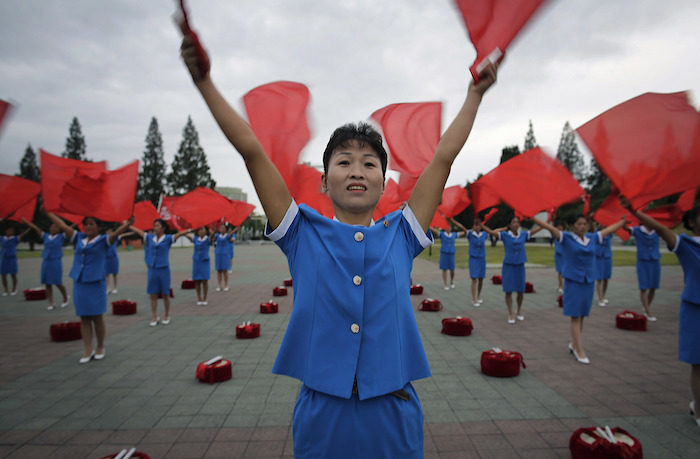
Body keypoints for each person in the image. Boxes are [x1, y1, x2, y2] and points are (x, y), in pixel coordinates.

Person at [180, 26, 496, 458]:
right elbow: (252, 150)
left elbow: (443, 156)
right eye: (343, 161)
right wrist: (204, 83)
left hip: (393, 407)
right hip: (323, 412)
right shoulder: (300, 233)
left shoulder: (401, 235)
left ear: (383, 184)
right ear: (324, 181)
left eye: (369, 163)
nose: (356, 171)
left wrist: (474, 96)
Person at [623, 202, 700, 430]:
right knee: (698, 363)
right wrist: (635, 211)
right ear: (693, 223)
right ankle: (698, 409)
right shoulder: (686, 245)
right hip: (695, 308)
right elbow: (661, 229)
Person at [533, 214, 625, 364]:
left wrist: (623, 221)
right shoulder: (566, 238)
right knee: (575, 316)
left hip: (588, 281)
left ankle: (574, 343)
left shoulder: (592, 238)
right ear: (573, 226)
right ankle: (579, 349)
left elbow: (609, 230)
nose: (583, 226)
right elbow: (549, 227)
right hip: (574, 281)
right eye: (579, 224)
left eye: (584, 223)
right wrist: (533, 218)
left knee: (582, 315)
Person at [46, 212, 133, 363]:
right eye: (86, 223)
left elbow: (116, 234)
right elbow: (62, 225)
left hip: (95, 281)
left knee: (97, 317)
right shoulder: (79, 238)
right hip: (80, 281)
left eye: (92, 223)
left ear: (99, 227)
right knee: (84, 317)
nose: (88, 226)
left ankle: (100, 346)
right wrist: (47, 212)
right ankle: (87, 349)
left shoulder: (103, 240)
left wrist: (127, 224)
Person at [482, 216, 542, 324]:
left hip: (520, 265)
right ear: (509, 225)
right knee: (508, 290)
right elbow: (491, 232)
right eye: (513, 222)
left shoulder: (523, 234)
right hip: (508, 266)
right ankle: (510, 313)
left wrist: (544, 221)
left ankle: (518, 310)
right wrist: (481, 224)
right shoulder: (505, 235)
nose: (516, 224)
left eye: (517, 222)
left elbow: (538, 229)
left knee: (520, 290)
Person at [130, 219, 190, 326]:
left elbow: (180, 234)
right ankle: (154, 316)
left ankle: (166, 315)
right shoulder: (150, 237)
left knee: (165, 294)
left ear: (163, 228)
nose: (155, 228)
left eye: (157, 226)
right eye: (154, 225)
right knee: (152, 294)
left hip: (163, 269)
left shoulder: (167, 238)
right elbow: (138, 231)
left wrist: (191, 229)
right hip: (152, 269)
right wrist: (127, 225)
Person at [22, 217, 71, 310]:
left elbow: (70, 228)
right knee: (47, 283)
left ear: (59, 229)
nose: (53, 228)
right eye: (52, 227)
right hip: (46, 261)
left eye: (55, 227)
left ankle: (65, 297)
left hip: (56, 261)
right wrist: (26, 222)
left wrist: (78, 221)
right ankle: (51, 303)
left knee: (58, 282)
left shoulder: (62, 236)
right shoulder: (45, 236)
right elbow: (36, 228)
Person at [623, 221, 661, 320]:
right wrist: (623, 223)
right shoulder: (637, 230)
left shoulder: (657, 230)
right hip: (643, 262)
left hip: (655, 261)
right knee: (644, 287)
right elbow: (626, 229)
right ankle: (648, 312)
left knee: (653, 287)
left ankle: (646, 308)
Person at [452, 217, 487, 306]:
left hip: (482, 258)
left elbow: (494, 231)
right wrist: (452, 221)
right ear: (473, 226)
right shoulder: (470, 234)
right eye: (476, 225)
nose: (478, 227)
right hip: (473, 259)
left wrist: (506, 227)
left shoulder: (484, 234)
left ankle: (479, 295)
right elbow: (462, 227)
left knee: (481, 279)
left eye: (479, 225)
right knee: (474, 278)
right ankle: (474, 298)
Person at [430, 221, 465, 290]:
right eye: (446, 227)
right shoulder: (442, 234)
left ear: (451, 228)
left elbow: (464, 232)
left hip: (451, 253)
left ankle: (452, 280)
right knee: (444, 269)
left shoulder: (454, 234)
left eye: (449, 227)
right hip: (444, 253)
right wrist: (429, 225)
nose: (448, 228)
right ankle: (445, 283)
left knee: (452, 269)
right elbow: (434, 230)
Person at [183, 226, 213, 305]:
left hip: (204, 261)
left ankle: (205, 298)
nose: (200, 231)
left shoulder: (207, 239)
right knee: (197, 280)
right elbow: (186, 235)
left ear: (206, 231)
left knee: (204, 280)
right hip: (196, 261)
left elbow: (213, 236)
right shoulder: (195, 238)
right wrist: (188, 230)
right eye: (199, 230)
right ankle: (199, 298)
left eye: (202, 229)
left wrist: (212, 229)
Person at [0, 223, 31, 296]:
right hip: (4, 258)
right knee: (3, 274)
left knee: (13, 274)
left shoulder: (15, 239)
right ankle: (6, 289)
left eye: (11, 231)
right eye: (8, 230)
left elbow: (23, 234)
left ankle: (14, 288)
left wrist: (29, 228)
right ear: (6, 231)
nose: (9, 232)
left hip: (12, 258)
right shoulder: (2, 238)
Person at [104, 228, 134, 294]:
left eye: (109, 230)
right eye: (107, 231)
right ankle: (107, 288)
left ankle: (115, 287)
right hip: (106, 258)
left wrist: (131, 232)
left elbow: (123, 234)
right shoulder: (105, 238)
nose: (107, 232)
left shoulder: (116, 237)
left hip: (114, 257)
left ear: (111, 231)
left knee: (115, 273)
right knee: (106, 274)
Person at [594, 222, 613, 306]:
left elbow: (613, 229)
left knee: (606, 278)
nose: (601, 225)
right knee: (599, 278)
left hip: (607, 257)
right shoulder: (596, 234)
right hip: (599, 257)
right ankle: (600, 298)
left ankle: (603, 296)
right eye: (599, 223)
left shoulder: (609, 233)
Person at [214, 223, 235, 291]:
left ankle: (226, 285)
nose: (222, 229)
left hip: (225, 254)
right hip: (218, 254)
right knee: (219, 270)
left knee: (225, 270)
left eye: (223, 228)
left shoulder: (227, 236)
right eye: (220, 228)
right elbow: (212, 235)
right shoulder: (217, 235)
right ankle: (219, 285)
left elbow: (230, 235)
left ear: (226, 229)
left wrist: (235, 229)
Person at [553, 219, 566, 293]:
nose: (559, 228)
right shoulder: (556, 235)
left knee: (564, 271)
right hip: (558, 254)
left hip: (565, 254)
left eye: (561, 226)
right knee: (560, 271)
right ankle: (561, 286)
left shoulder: (565, 234)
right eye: (558, 226)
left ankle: (561, 285)